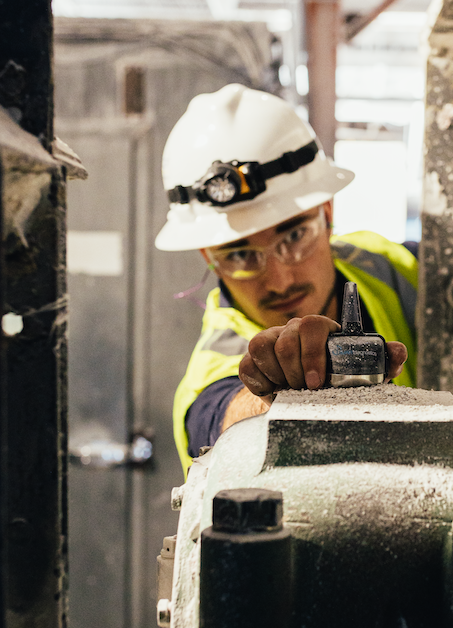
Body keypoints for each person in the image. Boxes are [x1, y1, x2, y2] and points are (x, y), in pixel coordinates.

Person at [155, 84, 418, 475]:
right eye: (240, 254)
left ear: (327, 213)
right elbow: (218, 415)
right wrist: (274, 396)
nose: (278, 280)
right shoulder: (214, 364)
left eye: (294, 236)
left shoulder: (391, 266)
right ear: (209, 257)